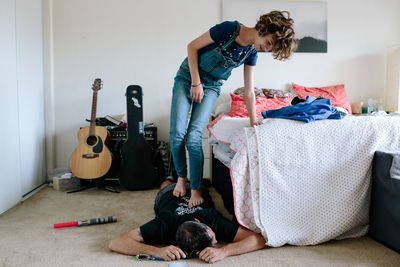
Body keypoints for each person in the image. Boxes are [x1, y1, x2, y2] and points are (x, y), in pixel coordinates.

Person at [169, 11, 297, 208]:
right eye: (270, 43)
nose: (266, 49)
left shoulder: (251, 53)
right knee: (177, 133)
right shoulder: (229, 29)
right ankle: (180, 177)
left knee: (194, 136)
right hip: (188, 77)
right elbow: (192, 46)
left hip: (212, 86)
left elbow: (249, 91)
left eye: (271, 48)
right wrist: (195, 82)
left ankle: (195, 188)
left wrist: (254, 121)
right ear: (264, 28)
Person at [108, 181, 267, 263]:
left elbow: (261, 239)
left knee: (197, 181)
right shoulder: (164, 224)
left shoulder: (210, 218)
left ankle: (178, 178)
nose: (217, 240)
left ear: (200, 222)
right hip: (168, 193)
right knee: (165, 184)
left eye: (213, 240)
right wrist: (156, 251)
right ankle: (169, 179)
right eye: (215, 241)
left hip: (196, 189)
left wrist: (224, 251)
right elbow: (115, 243)